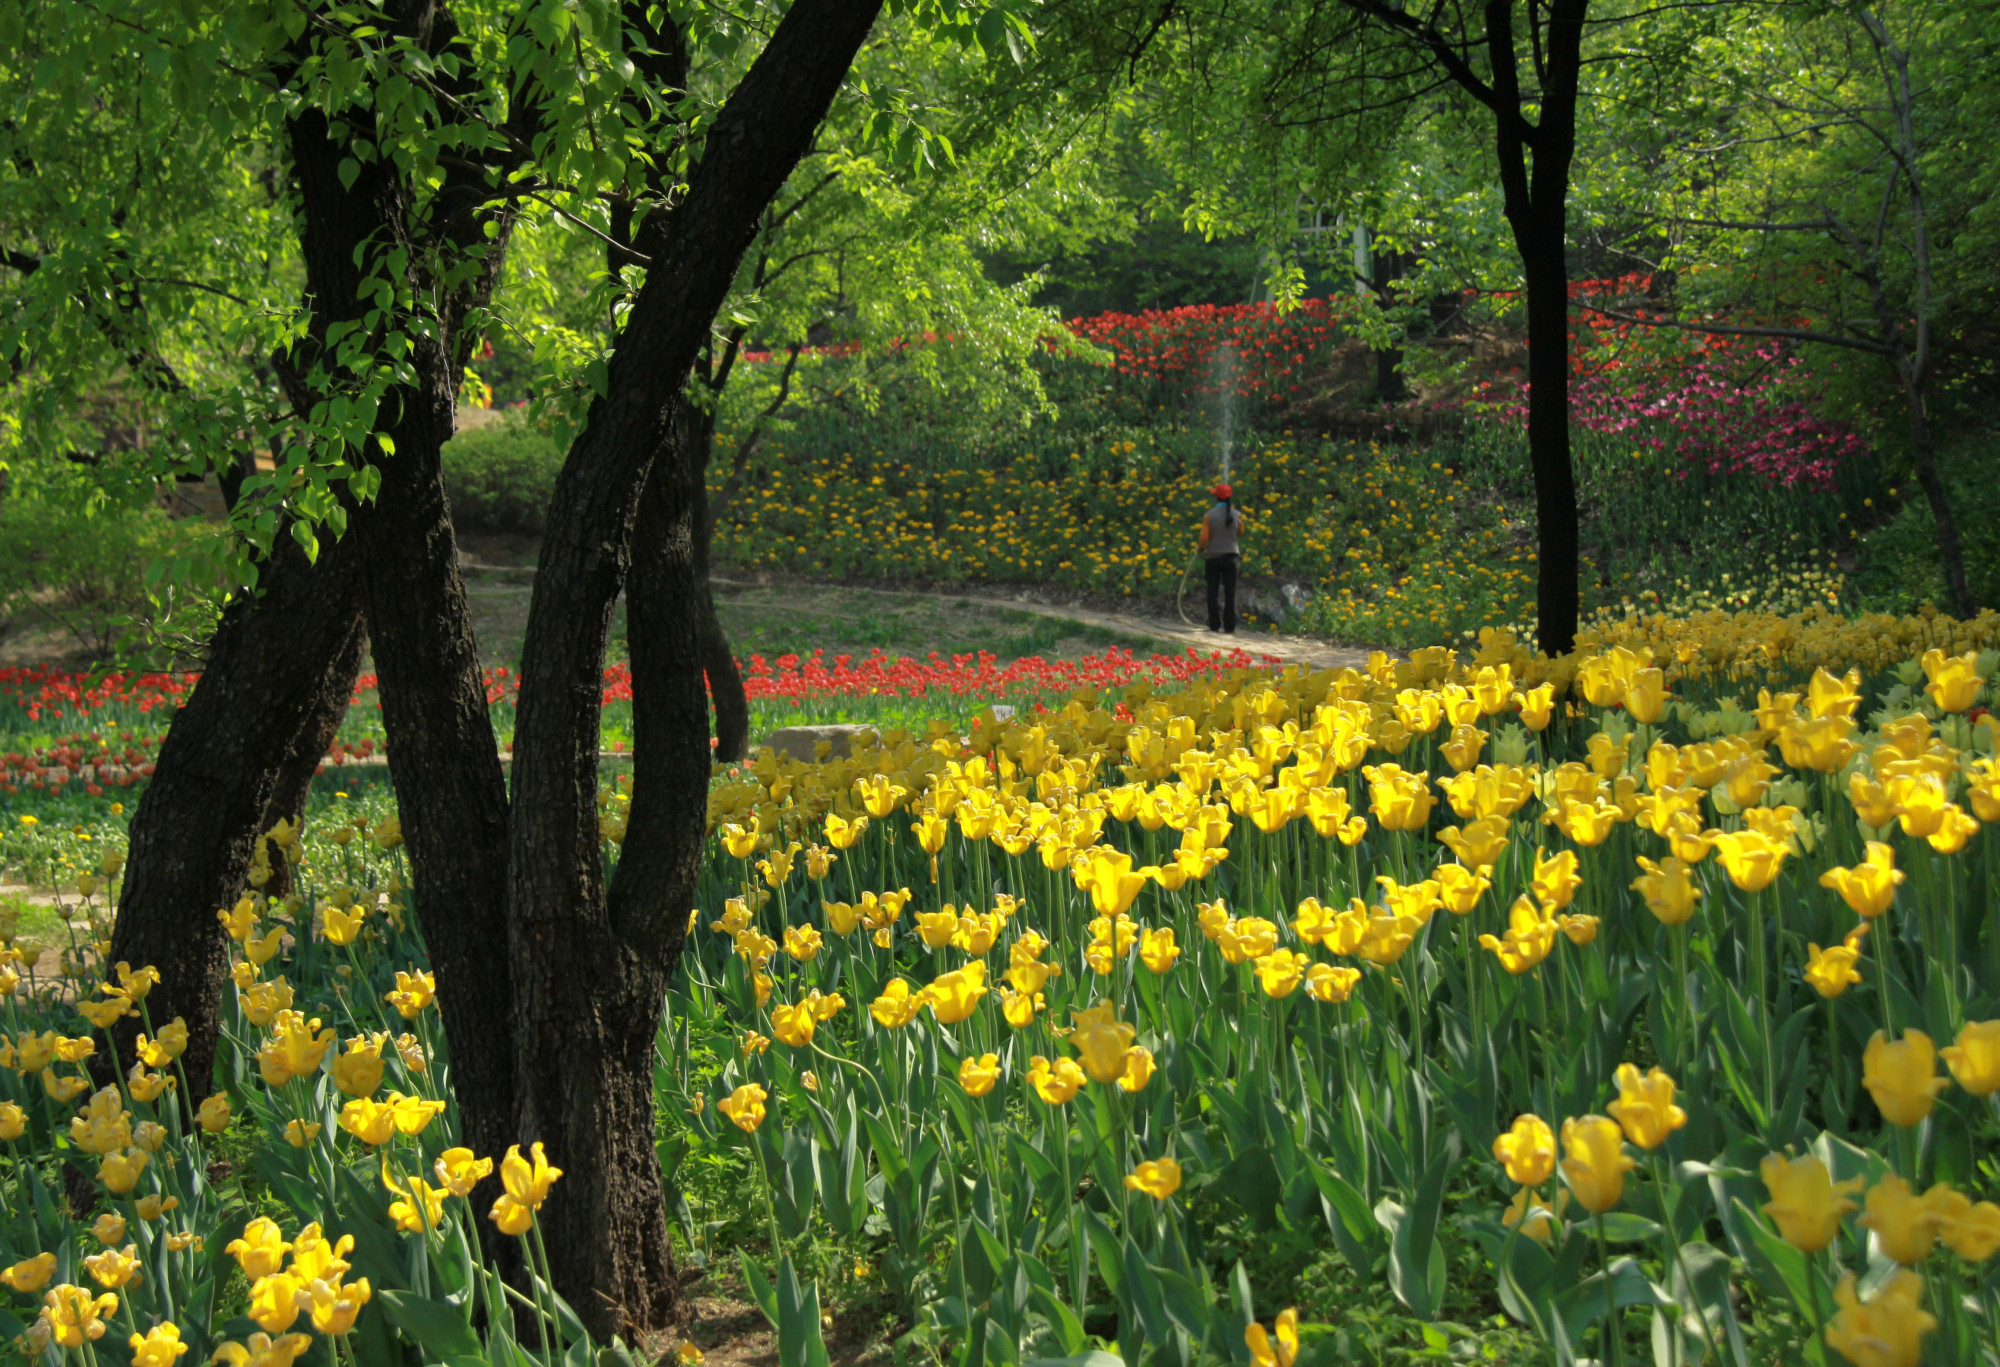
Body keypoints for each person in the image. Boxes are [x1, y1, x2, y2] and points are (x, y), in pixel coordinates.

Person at [1197, 483, 1243, 633]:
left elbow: (1204, 537)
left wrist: (1200, 548)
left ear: (1217, 497)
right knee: (1230, 592)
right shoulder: (1237, 514)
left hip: (1214, 558)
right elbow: (1240, 532)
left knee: (1212, 591)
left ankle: (1214, 625)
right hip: (1232, 558)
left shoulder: (1209, 515)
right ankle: (1230, 626)